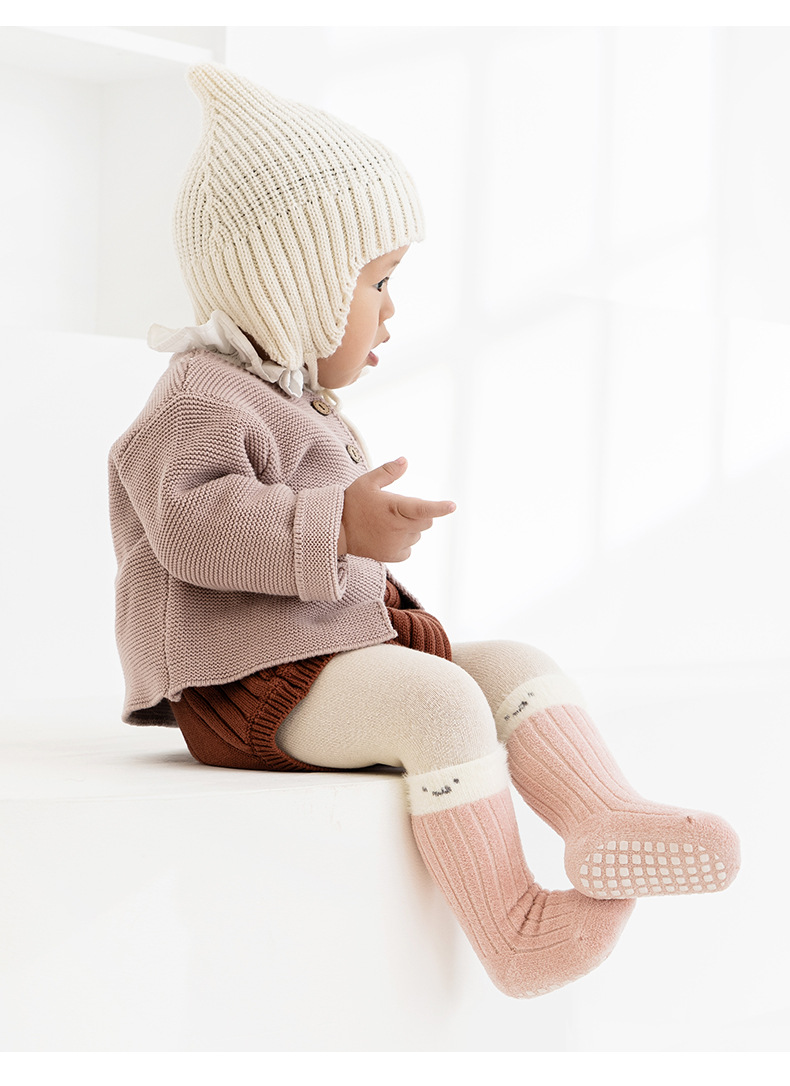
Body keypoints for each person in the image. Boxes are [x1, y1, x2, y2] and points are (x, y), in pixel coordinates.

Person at [108, 62, 740, 999]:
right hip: (242, 688)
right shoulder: (199, 400)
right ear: (297, 285)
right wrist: (338, 524)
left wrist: (352, 539)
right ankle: (514, 928)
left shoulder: (290, 399)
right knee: (439, 705)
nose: (392, 311)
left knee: (510, 662)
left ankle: (602, 814)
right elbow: (191, 526)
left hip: (319, 659)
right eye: (378, 283)